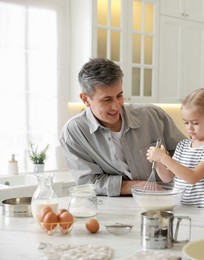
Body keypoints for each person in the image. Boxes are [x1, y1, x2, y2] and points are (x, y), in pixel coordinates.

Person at [60, 58, 185, 196]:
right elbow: (88, 182)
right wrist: (139, 186)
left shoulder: (153, 116)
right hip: (115, 208)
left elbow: (188, 156)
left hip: (167, 201)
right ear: (85, 99)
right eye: (107, 99)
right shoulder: (74, 133)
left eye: (119, 96)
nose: (116, 106)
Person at [146, 88, 204, 211]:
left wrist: (164, 158)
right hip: (179, 208)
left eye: (195, 123)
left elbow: (193, 177)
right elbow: (167, 177)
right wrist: (158, 162)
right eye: (186, 123)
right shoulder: (183, 145)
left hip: (203, 211)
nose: (189, 128)